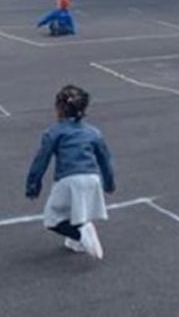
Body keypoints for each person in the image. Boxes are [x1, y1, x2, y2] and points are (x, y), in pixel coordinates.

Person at [26, 85, 115, 260]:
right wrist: (109, 182)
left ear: (59, 109)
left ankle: (81, 234)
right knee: (75, 210)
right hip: (92, 177)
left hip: (69, 179)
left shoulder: (53, 133)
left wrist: (33, 185)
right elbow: (105, 159)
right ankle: (77, 241)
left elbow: (41, 161)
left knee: (52, 219)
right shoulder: (93, 133)